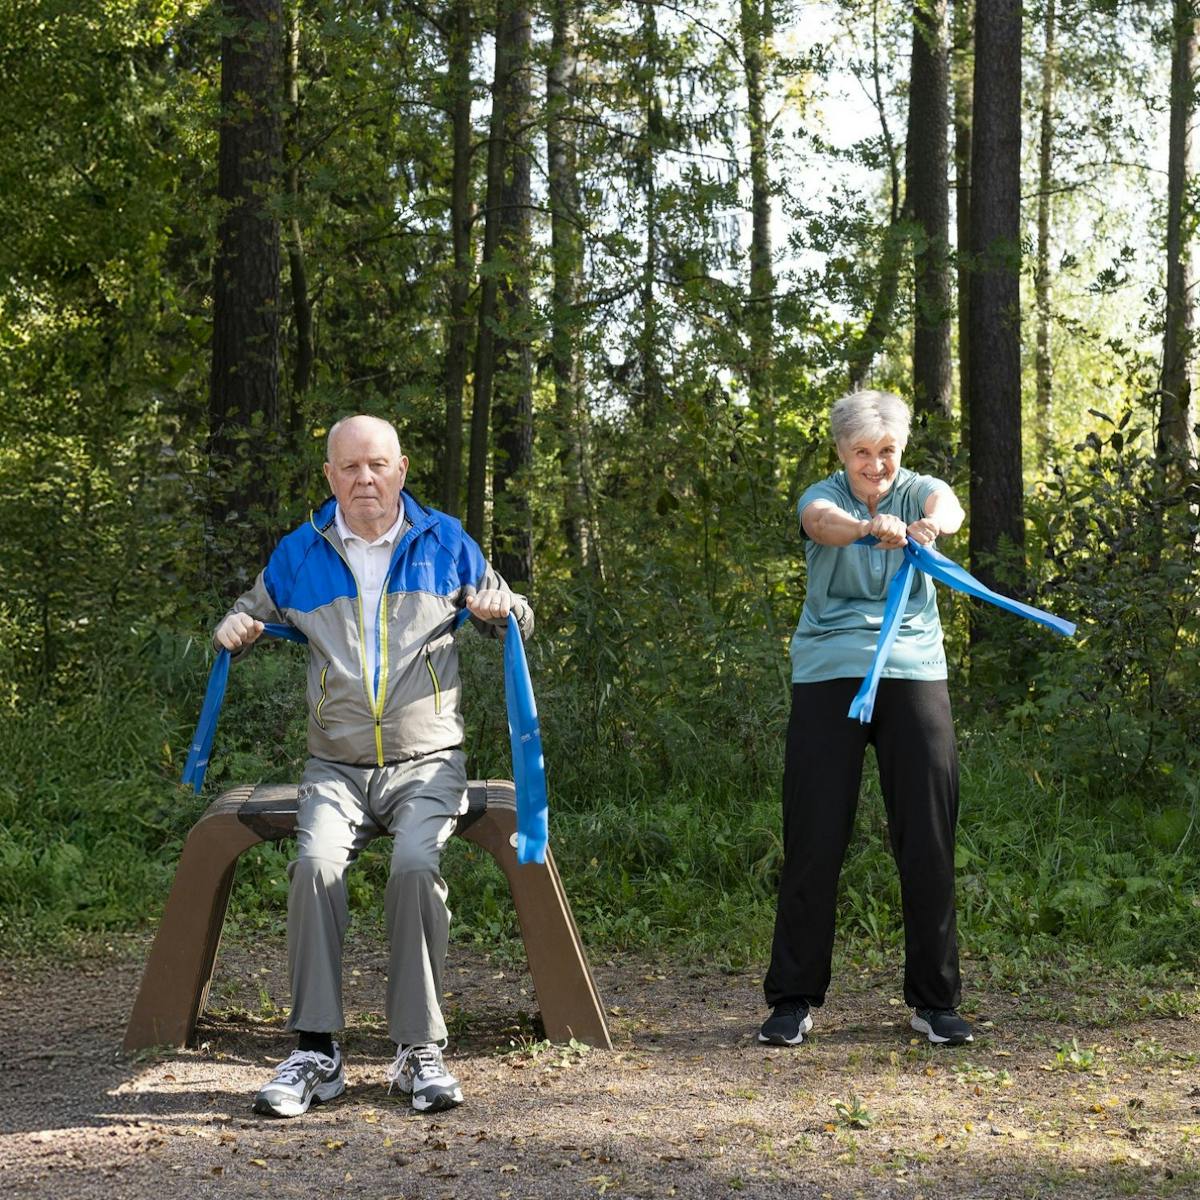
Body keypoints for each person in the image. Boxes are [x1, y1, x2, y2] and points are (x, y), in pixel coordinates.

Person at [214, 414, 533, 1116]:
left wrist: (499, 606)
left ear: (401, 469)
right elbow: (244, 613)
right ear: (329, 476)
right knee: (314, 865)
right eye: (350, 466)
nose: (365, 478)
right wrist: (232, 627)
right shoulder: (300, 552)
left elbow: (518, 612)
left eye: (378, 464)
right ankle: (316, 1052)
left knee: (415, 864)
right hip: (336, 766)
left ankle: (418, 1050)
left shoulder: (444, 541)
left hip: (429, 762)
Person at [759, 390, 973, 1049]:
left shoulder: (915, 489)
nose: (876, 465)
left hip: (912, 668)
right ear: (840, 452)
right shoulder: (823, 496)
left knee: (929, 835)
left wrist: (928, 526)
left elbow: (949, 505)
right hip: (831, 670)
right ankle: (793, 998)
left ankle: (935, 1001)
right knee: (815, 834)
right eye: (862, 452)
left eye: (887, 451)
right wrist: (866, 529)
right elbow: (819, 522)